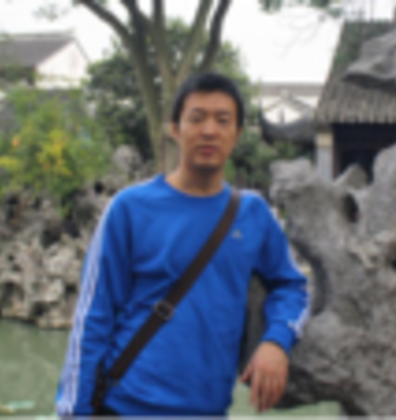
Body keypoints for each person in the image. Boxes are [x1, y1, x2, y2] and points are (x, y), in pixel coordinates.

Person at [56, 72, 309, 416]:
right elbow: (92, 317)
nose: (209, 130)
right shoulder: (129, 208)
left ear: (237, 134)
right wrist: (74, 412)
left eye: (223, 120)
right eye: (197, 118)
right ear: (175, 129)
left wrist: (277, 341)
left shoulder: (253, 214)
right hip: (127, 406)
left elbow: (292, 286)